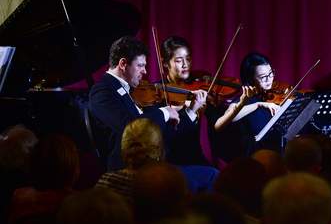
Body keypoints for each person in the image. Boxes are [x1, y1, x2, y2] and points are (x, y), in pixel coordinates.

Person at [89, 36, 217, 191]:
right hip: (131, 171)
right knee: (212, 177)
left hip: (155, 166)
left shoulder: (132, 91)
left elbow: (158, 133)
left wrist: (190, 111)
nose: (145, 71)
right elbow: (132, 128)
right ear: (123, 64)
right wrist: (164, 112)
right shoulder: (102, 91)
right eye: (140, 65)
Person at [212, 52, 282, 158]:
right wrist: (258, 105)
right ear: (250, 79)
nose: (269, 79)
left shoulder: (271, 97)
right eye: (263, 77)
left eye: (271, 73)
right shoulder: (243, 100)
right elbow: (228, 117)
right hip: (256, 156)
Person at [159, 36, 211, 166]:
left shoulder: (198, 87)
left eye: (188, 59)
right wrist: (192, 110)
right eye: (178, 60)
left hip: (196, 158)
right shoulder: (157, 93)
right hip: (170, 163)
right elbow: (170, 139)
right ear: (165, 63)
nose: (185, 65)